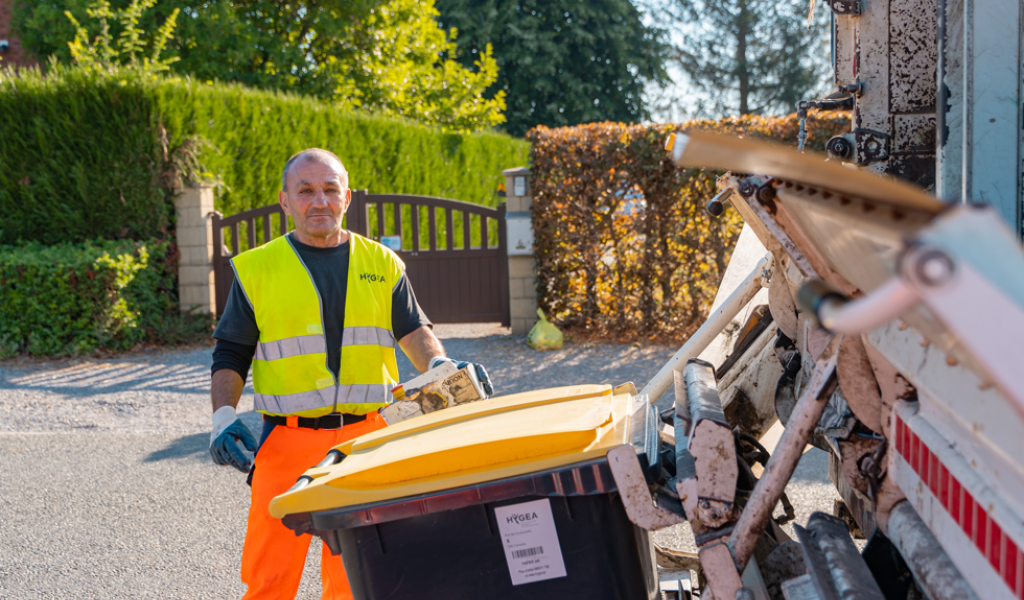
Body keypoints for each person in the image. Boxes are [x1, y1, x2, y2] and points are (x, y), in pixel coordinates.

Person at [208, 148, 492, 600]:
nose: (318, 200)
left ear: (346, 198)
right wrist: (222, 415)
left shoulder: (382, 263)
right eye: (305, 191)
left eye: (329, 189)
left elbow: (414, 330)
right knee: (269, 576)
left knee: (356, 576)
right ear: (285, 201)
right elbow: (231, 352)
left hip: (367, 439)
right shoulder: (256, 269)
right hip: (285, 442)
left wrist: (439, 366)